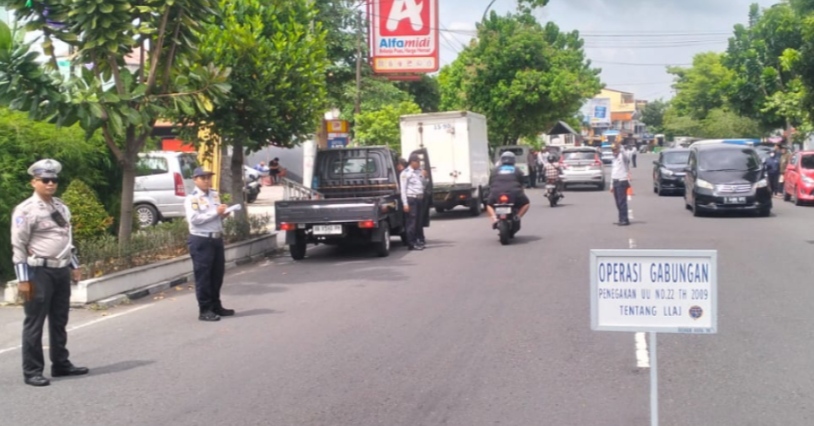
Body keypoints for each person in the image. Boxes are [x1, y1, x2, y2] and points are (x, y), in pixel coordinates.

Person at [11, 159, 88, 387]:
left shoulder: (61, 207)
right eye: (45, 180)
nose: (50, 184)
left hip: (60, 270)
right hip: (37, 272)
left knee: (59, 320)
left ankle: (61, 364)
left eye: (53, 180)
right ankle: (32, 371)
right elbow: (18, 245)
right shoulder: (25, 210)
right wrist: (23, 279)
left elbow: (66, 239)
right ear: (34, 182)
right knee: (34, 322)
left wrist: (74, 265)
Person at [185, 167, 234, 321]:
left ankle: (216, 305)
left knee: (217, 275)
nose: (206, 180)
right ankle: (205, 309)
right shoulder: (192, 198)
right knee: (204, 276)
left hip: (216, 238)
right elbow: (195, 220)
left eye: (208, 177)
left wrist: (223, 215)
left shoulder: (214, 194)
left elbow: (214, 217)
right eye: (203, 178)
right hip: (201, 240)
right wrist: (215, 213)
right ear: (195, 179)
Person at [486, 151, 530, 228]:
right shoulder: (517, 170)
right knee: (526, 203)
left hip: (496, 192)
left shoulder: (495, 170)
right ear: (513, 160)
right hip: (514, 192)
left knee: (489, 205)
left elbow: (490, 183)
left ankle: (494, 219)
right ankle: (518, 217)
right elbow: (522, 182)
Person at [400, 153, 428, 250]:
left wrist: (424, 177)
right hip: (411, 199)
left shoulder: (419, 171)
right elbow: (403, 190)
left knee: (419, 221)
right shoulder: (405, 173)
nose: (419, 163)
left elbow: (423, 185)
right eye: (418, 161)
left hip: (419, 198)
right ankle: (411, 243)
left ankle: (420, 240)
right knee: (412, 222)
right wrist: (405, 204)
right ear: (412, 162)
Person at [610, 143, 632, 226]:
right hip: (615, 181)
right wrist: (611, 185)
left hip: (622, 181)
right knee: (617, 202)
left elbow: (627, 157)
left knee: (622, 202)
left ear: (618, 149)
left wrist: (620, 146)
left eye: (615, 150)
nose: (614, 152)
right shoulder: (614, 159)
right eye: (613, 150)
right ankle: (621, 218)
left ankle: (625, 220)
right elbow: (613, 172)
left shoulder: (622, 157)